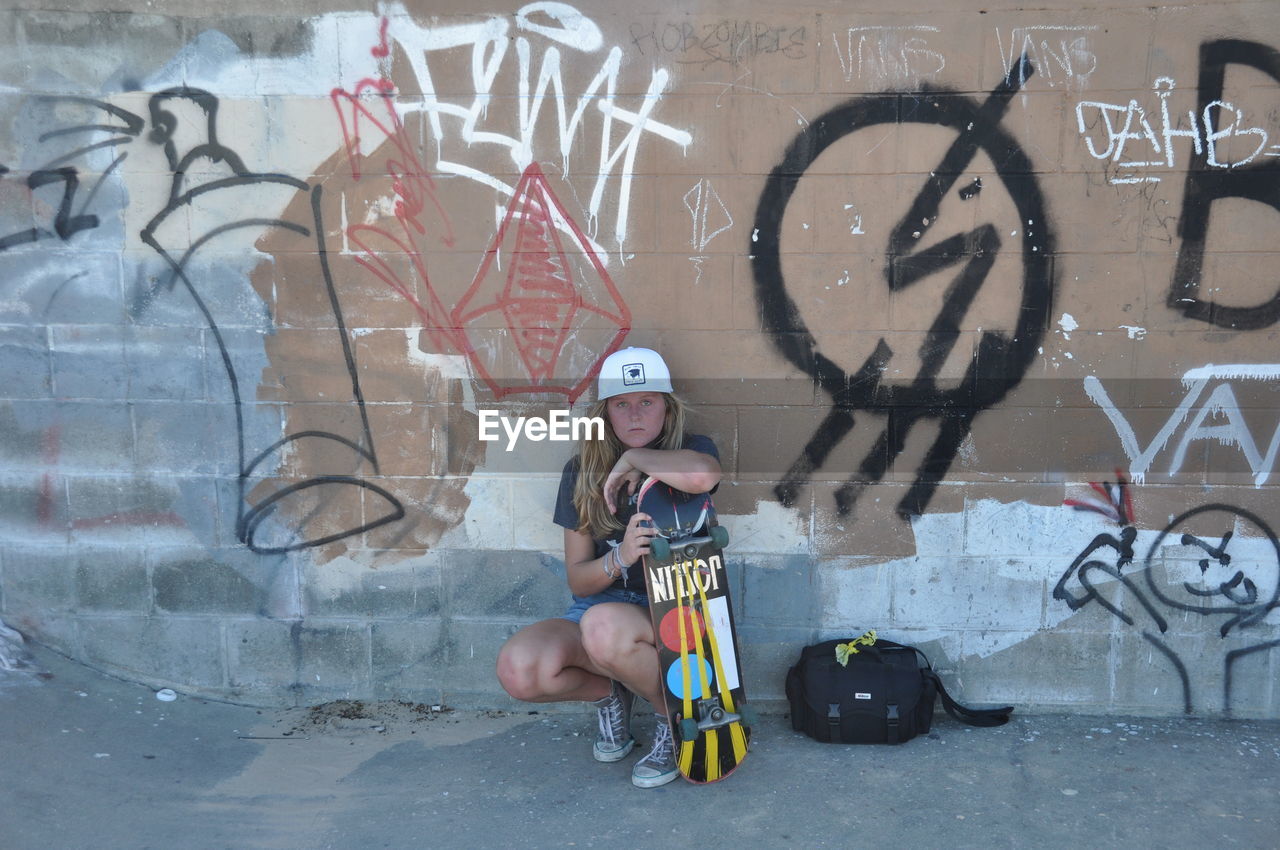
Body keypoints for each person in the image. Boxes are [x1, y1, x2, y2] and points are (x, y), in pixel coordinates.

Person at [495, 347, 722, 788]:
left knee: (602, 627)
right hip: (601, 609)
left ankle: (671, 720)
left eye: (647, 402)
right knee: (520, 669)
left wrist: (635, 460)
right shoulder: (581, 470)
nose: (634, 415)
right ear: (606, 412)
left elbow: (702, 477)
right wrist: (621, 556)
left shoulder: (689, 450)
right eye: (621, 404)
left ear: (667, 406)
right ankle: (610, 695)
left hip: (674, 610)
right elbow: (579, 579)